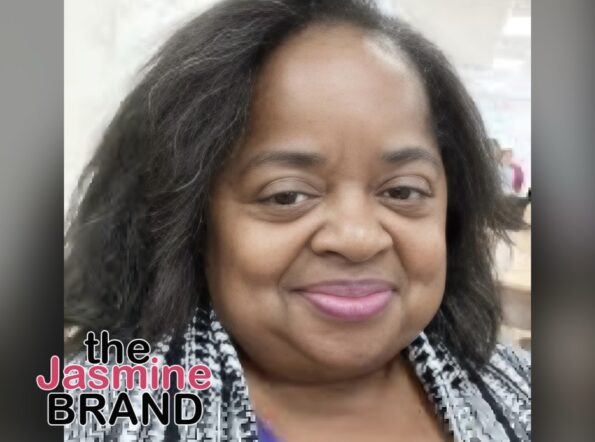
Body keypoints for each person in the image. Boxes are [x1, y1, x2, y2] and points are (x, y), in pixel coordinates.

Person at [64, 0, 531, 440]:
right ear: (190, 222)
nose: (358, 238)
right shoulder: (99, 413)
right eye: (287, 195)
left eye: (402, 192)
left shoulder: (523, 390)